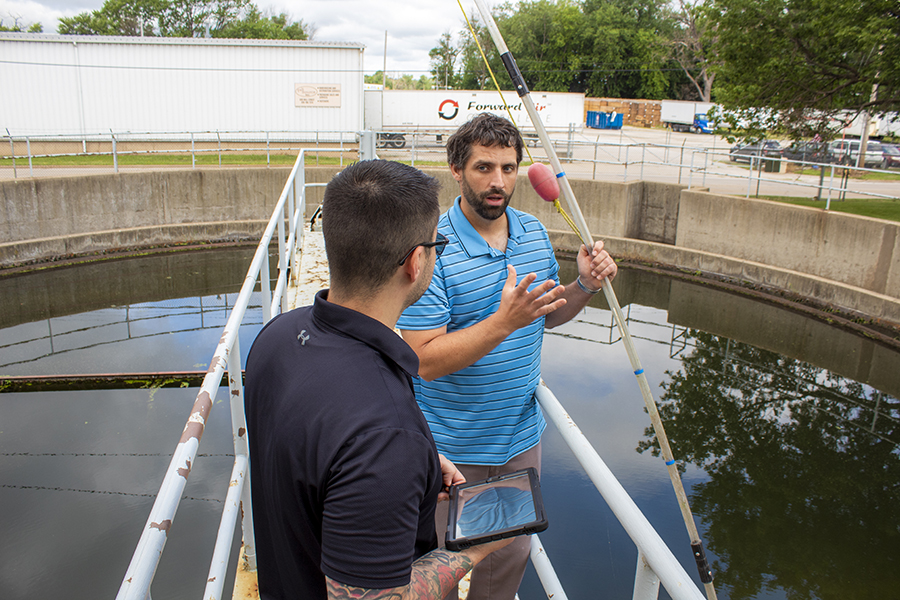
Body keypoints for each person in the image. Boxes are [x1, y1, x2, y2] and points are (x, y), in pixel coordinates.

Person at [244, 159, 512, 600]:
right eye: (436, 244)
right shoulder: (384, 436)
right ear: (415, 261)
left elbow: (317, 452)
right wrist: (476, 551)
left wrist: (419, 465)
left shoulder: (278, 336)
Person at [398, 113, 618, 600]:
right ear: (456, 170)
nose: (498, 182)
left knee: (511, 554)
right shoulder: (432, 247)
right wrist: (504, 322)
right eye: (483, 168)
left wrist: (582, 285)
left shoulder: (534, 234)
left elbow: (545, 316)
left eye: (508, 167)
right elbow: (422, 360)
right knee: (441, 564)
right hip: (451, 447)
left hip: (519, 438)